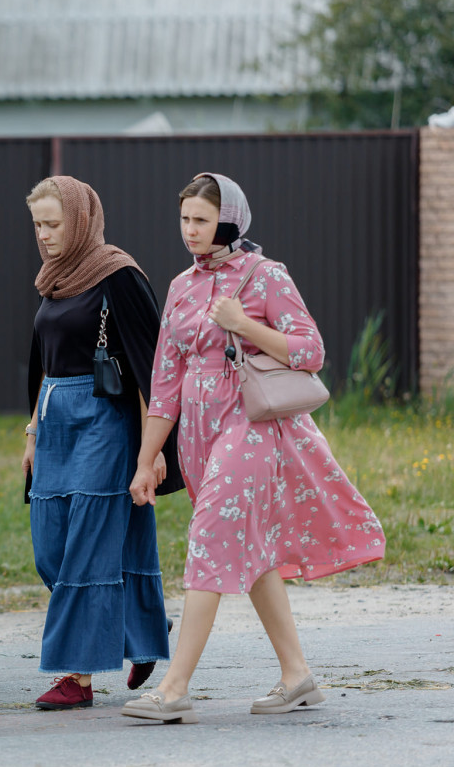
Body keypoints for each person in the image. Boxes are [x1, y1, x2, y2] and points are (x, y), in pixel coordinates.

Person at [122, 172, 385, 724]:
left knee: (211, 535)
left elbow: (310, 351)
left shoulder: (266, 276)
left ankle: (174, 687)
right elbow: (164, 385)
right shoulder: (179, 286)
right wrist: (147, 461)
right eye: (185, 219)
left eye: (201, 220)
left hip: (251, 425)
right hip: (197, 431)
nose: (190, 230)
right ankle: (298, 678)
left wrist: (244, 325)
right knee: (253, 551)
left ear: (230, 220)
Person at [19, 176, 183, 710]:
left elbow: (150, 369)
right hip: (53, 424)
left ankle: (77, 678)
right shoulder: (53, 278)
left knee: (86, 546)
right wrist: (32, 433)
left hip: (103, 422)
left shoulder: (118, 275)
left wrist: (150, 451)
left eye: (52, 224)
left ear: (81, 220)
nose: (43, 235)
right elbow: (42, 364)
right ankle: (139, 628)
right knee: (51, 548)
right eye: (37, 225)